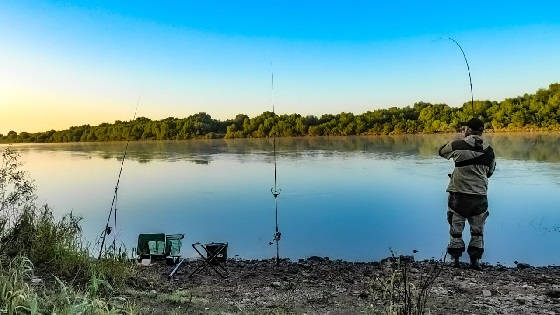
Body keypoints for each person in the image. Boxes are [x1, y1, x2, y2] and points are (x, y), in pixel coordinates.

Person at [438, 118, 496, 270]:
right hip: (479, 197)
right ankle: (475, 262)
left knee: (456, 228)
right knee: (478, 231)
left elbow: (441, 151)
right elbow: (490, 172)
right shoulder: (489, 150)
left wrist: (460, 139)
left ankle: (456, 260)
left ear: (468, 130)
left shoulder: (458, 145)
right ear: (482, 131)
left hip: (458, 196)